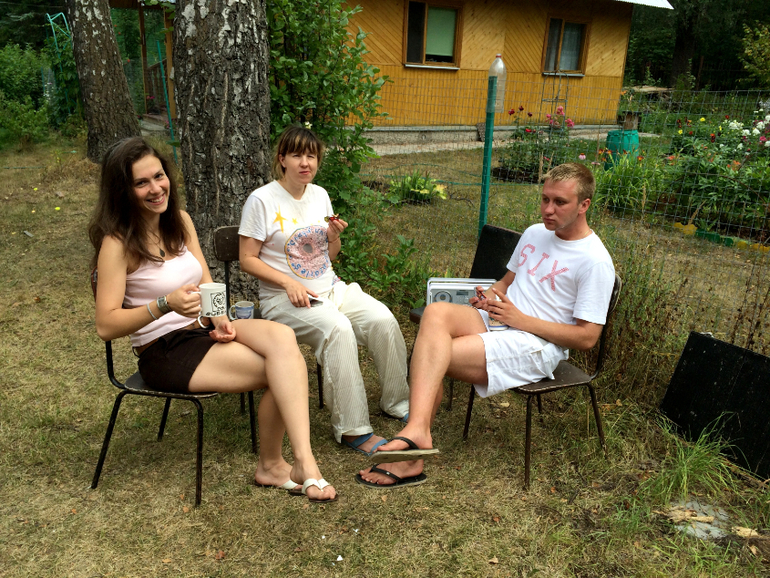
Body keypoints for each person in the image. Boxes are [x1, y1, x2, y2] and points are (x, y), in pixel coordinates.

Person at [89, 136, 336, 503]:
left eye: (159, 176)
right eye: (141, 182)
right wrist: (165, 305)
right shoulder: (117, 243)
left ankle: (295, 461)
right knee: (283, 370)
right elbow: (106, 325)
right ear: (122, 191)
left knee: (283, 339)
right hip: (164, 349)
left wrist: (218, 316)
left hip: (202, 330)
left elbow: (206, 281)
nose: (156, 188)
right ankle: (283, 465)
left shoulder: (180, 222)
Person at [357, 163, 615, 488]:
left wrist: (520, 320)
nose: (548, 209)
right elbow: (506, 282)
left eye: (559, 202)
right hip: (499, 319)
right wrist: (488, 297)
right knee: (435, 314)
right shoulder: (535, 233)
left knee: (434, 355)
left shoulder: (594, 261)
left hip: (536, 344)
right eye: (545, 199)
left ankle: (413, 449)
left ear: (583, 205)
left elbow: (587, 338)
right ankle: (417, 433)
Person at [238, 125, 410, 456]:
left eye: (312, 156)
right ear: (282, 159)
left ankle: (397, 402)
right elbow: (247, 259)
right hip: (283, 299)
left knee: (383, 319)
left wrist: (332, 236)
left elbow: (330, 255)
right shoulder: (261, 200)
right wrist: (287, 282)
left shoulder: (319, 195)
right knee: (338, 329)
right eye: (297, 155)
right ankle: (353, 429)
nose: (305, 163)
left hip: (330, 289)